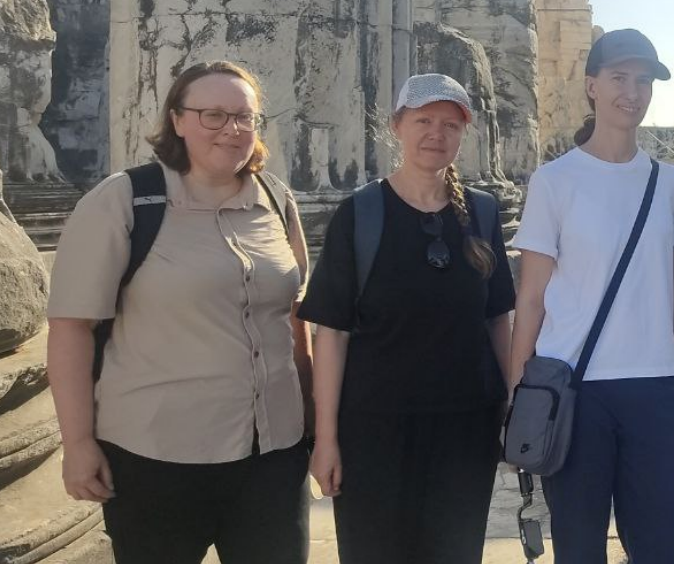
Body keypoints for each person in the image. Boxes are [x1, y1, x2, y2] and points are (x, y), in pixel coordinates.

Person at [47, 61, 312, 564]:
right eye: (213, 115)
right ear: (178, 119)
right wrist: (78, 442)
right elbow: (71, 328)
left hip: (273, 456)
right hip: (157, 456)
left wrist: (315, 428)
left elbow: (295, 321)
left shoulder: (277, 200)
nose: (231, 129)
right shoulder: (125, 200)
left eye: (244, 117)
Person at [299, 73, 514, 563]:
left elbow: (497, 319)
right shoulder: (359, 214)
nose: (436, 134)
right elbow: (331, 333)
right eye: (423, 121)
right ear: (397, 126)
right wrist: (326, 439)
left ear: (464, 133)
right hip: (374, 431)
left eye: (450, 124)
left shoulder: (481, 213)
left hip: (465, 429)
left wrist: (512, 408)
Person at [509, 28, 674, 564]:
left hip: (654, 390)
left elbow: (672, 292)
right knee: (579, 549)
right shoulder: (554, 180)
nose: (632, 93)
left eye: (644, 81)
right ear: (591, 85)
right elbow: (531, 299)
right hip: (576, 391)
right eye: (619, 78)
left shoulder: (669, 182)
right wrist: (517, 396)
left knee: (663, 548)